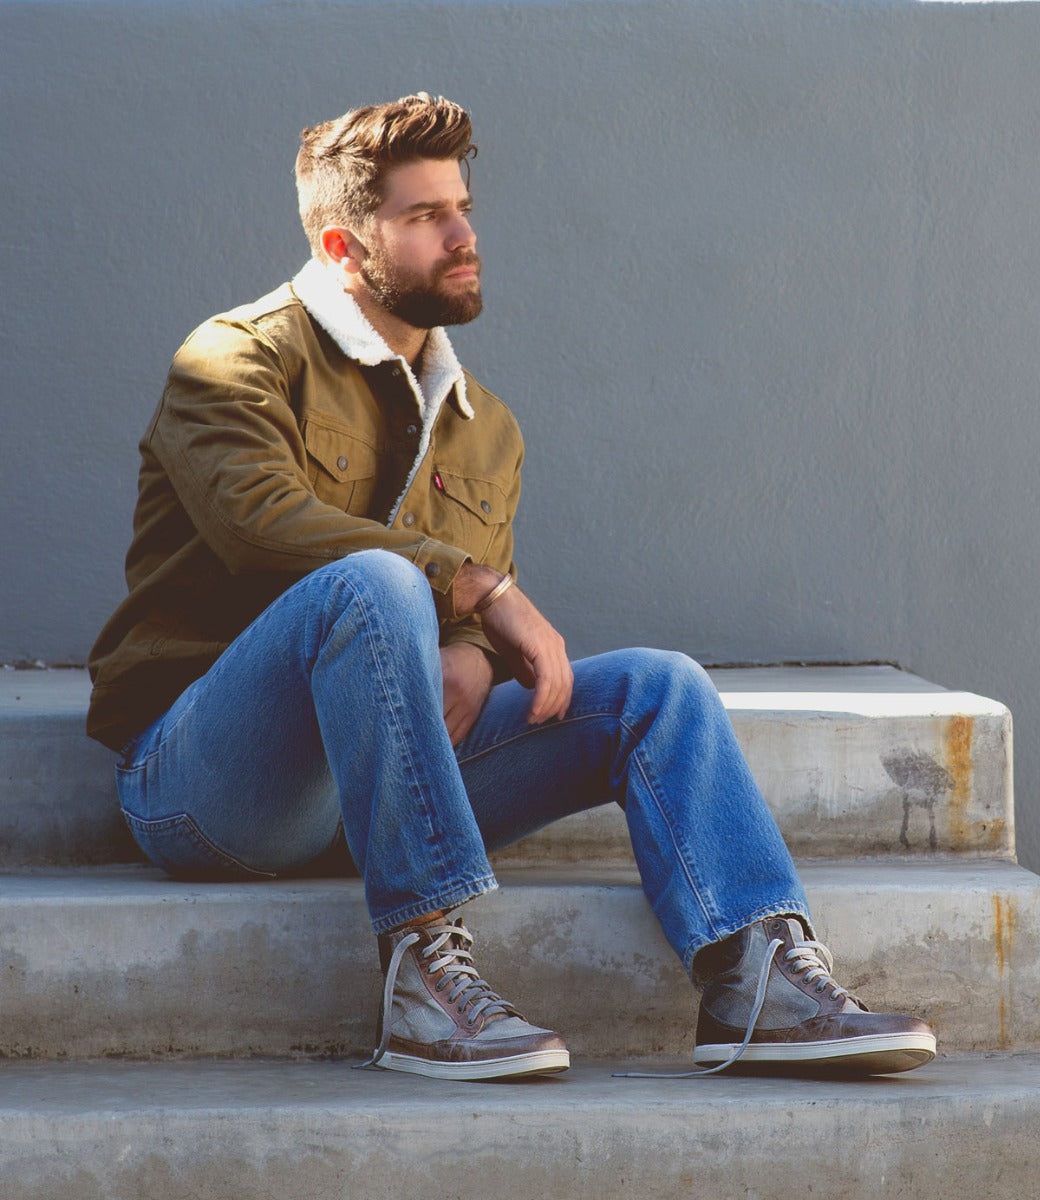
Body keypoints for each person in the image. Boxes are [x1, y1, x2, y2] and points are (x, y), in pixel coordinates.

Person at [87, 93, 936, 1081]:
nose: (462, 236)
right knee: (373, 585)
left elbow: (470, 626)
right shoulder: (231, 359)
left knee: (654, 688)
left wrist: (469, 647)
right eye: (423, 217)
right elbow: (259, 525)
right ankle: (420, 980)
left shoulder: (483, 423)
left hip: (384, 775)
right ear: (340, 244)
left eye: (463, 207)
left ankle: (758, 981)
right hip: (213, 783)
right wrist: (475, 596)